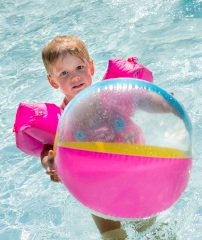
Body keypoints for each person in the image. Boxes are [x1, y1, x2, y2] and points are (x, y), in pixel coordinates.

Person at [40, 35, 174, 240]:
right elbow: (49, 145)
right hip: (95, 185)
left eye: (79, 68)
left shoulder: (112, 96)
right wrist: (49, 163)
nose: (74, 77)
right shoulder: (62, 119)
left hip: (133, 171)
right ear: (53, 81)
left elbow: (140, 101)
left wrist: (164, 104)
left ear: (91, 68)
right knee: (112, 235)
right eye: (64, 73)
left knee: (148, 229)